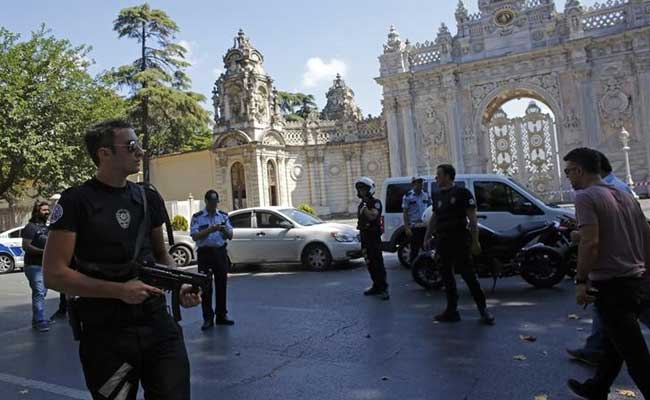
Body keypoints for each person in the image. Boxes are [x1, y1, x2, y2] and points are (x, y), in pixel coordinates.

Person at [43, 118, 201, 400]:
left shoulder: (147, 197)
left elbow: (162, 255)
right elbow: (54, 274)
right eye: (131, 145)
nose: (140, 151)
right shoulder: (75, 202)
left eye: (138, 144)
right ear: (104, 154)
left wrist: (180, 284)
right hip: (106, 336)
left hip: (157, 325)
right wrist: (119, 291)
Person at [563, 147, 650, 399]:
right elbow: (645, 234)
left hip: (612, 285)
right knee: (615, 344)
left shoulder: (586, 197)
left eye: (569, 171)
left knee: (636, 357)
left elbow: (591, 244)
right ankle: (598, 387)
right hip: (636, 280)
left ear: (579, 170)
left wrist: (580, 281)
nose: (568, 176)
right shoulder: (625, 194)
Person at [424, 164, 494, 325]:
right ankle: (451, 311)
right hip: (442, 241)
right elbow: (435, 217)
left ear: (448, 176)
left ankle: (483, 310)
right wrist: (427, 237)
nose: (436, 178)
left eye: (439, 175)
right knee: (447, 277)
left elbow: (473, 219)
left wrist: (475, 241)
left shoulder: (462, 193)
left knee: (468, 276)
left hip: (459, 240)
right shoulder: (437, 195)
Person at [190, 190, 234, 330]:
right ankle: (208, 318)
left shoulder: (223, 216)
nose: (214, 205)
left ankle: (221, 315)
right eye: (212, 202)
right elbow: (195, 236)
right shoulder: (197, 217)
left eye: (216, 202)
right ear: (207, 202)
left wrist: (222, 229)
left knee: (221, 285)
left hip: (220, 253)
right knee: (206, 287)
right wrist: (209, 230)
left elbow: (230, 235)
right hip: (205, 254)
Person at [356, 176, 389, 300]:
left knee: (377, 263)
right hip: (365, 237)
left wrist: (365, 209)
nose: (361, 192)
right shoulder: (362, 204)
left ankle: (384, 288)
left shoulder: (375, 202)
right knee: (369, 262)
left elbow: (372, 216)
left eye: (364, 189)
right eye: (360, 189)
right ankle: (376, 285)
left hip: (373, 238)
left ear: (370, 189)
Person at [21, 200, 52, 332]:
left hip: (45, 266)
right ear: (37, 211)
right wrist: (44, 252)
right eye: (44, 210)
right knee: (39, 292)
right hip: (33, 266)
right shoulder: (30, 227)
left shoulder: (47, 227)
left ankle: (37, 319)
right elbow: (26, 246)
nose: (47, 212)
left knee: (42, 292)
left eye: (48, 209)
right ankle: (40, 321)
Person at [402, 176, 432, 266]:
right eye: (418, 183)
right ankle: (414, 269)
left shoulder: (426, 195)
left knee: (427, 248)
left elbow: (431, 209)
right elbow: (405, 213)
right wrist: (407, 228)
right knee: (414, 250)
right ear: (413, 184)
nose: (420, 185)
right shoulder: (408, 196)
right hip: (414, 227)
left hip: (425, 226)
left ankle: (427, 267)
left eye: (421, 183)